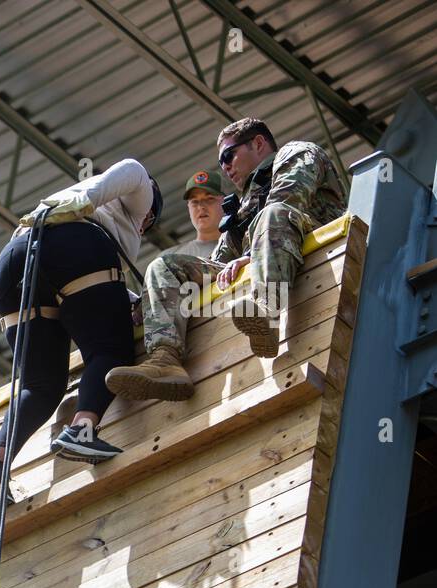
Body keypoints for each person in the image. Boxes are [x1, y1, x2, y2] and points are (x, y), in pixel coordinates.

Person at [0, 158, 162, 515]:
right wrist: (87, 200)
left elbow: (93, 297)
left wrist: (132, 300)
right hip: (74, 244)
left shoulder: (68, 206)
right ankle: (81, 430)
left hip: (13, 260)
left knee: (41, 385)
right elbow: (134, 169)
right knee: (110, 347)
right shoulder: (134, 206)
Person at [105, 118, 347, 401]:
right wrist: (149, 300)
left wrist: (248, 258)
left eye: (228, 155)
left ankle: (267, 312)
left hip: (318, 252)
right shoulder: (244, 204)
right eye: (221, 162)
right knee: (164, 266)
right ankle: (165, 359)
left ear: (258, 144)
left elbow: (290, 201)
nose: (225, 167)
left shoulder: (295, 153)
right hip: (266, 254)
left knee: (273, 214)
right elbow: (219, 263)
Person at [166, 169, 224, 258]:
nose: (201, 206)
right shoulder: (170, 258)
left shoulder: (246, 246)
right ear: (188, 207)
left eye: (210, 199)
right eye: (194, 201)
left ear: (226, 201)